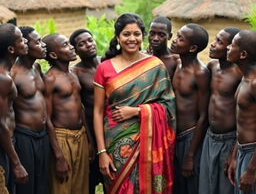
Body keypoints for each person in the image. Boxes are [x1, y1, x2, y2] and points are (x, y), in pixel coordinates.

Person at [93, 13, 176, 193]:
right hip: (114, 141)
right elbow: (98, 112)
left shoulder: (155, 65)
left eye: (136, 34)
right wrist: (102, 153)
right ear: (117, 37)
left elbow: (168, 107)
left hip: (148, 138)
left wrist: (137, 111)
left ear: (142, 36)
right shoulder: (104, 68)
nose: (132, 39)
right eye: (126, 34)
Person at [43, 33, 89, 194]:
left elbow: (80, 108)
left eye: (69, 44)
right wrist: (58, 156)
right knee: (62, 187)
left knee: (81, 187)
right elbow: (46, 118)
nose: (71, 47)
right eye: (65, 45)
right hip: (62, 138)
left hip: (80, 136)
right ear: (54, 55)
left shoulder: (73, 74)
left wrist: (89, 140)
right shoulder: (50, 79)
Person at [198, 28, 242, 194]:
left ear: (231, 47)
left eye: (219, 42)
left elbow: (246, 115)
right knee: (207, 185)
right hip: (210, 137)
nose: (213, 45)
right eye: (215, 39)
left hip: (229, 139)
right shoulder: (212, 66)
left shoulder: (239, 74)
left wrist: (235, 150)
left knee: (225, 186)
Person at [170, 23, 210, 194]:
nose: (174, 40)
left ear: (192, 47)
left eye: (180, 39)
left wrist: (191, 154)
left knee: (191, 185)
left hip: (190, 137)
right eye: (176, 35)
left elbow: (203, 116)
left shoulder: (200, 73)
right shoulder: (178, 64)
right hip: (174, 135)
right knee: (176, 185)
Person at [11, 26, 50, 194]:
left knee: (42, 185)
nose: (44, 46)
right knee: (26, 186)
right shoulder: (12, 74)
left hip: (43, 135)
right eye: (39, 42)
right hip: (24, 136)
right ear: (26, 44)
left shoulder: (37, 69)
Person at [69, 29, 103, 194]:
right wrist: (89, 140)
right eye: (81, 44)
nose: (88, 45)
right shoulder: (75, 72)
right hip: (92, 127)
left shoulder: (107, 62)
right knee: (90, 178)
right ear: (75, 50)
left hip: (116, 125)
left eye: (89, 40)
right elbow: (78, 108)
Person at [0, 23, 28, 193]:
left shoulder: (7, 74)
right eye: (21, 39)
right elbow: (1, 124)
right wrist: (16, 163)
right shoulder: (3, 78)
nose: (25, 41)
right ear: (11, 49)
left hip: (7, 144)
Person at [227, 30, 256, 194]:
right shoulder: (244, 78)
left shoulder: (254, 83)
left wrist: (252, 170)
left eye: (232, 45)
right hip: (243, 151)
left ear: (243, 54)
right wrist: (235, 154)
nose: (228, 47)